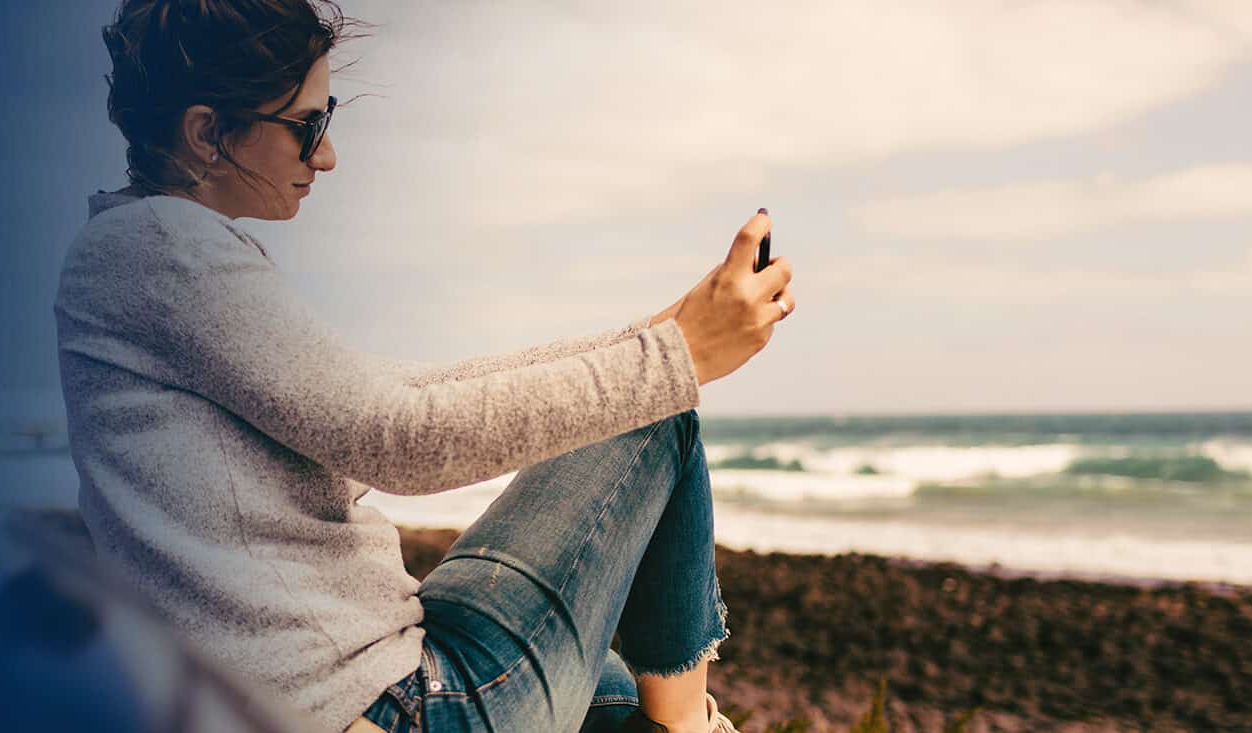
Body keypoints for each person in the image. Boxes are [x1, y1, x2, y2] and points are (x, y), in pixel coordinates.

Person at [56, 1, 797, 730]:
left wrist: (664, 328)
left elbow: (397, 394)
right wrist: (679, 356)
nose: (326, 155)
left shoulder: (148, 259)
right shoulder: (159, 247)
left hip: (371, 670)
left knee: (614, 687)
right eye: (305, 124)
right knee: (660, 407)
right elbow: (402, 436)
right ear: (207, 132)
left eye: (328, 116)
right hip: (397, 705)